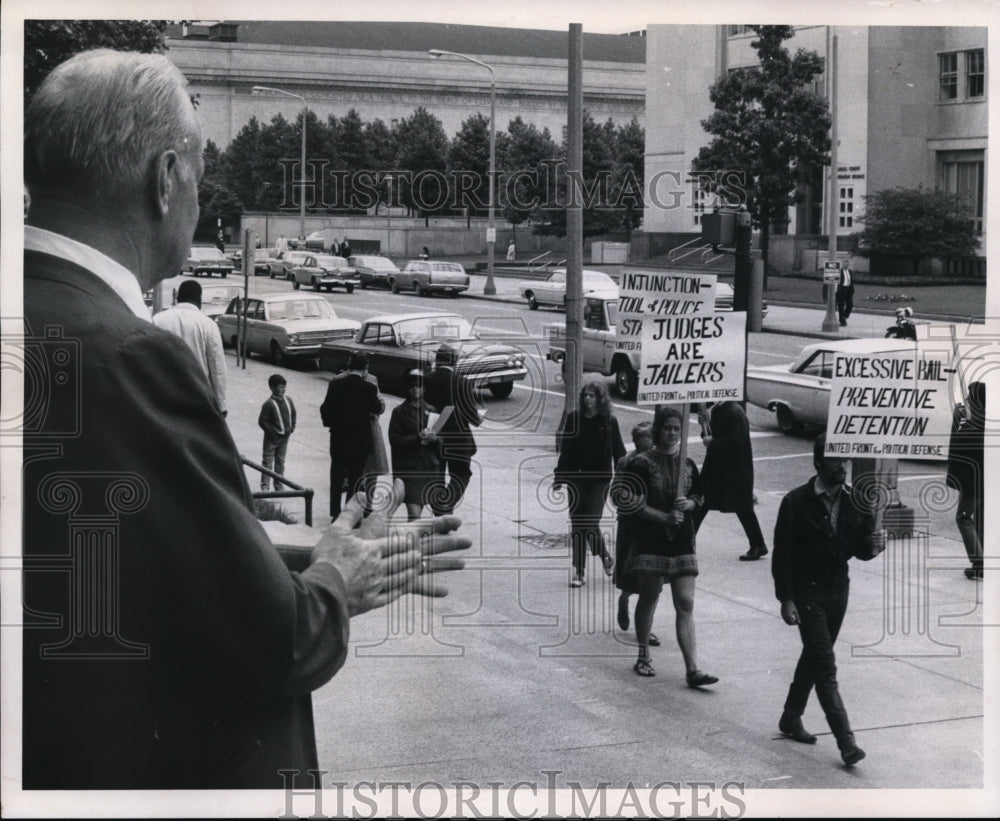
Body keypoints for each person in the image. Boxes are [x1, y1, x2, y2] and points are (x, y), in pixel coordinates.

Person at [21, 49, 469, 789]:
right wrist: (333, 580)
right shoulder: (134, 356)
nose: (201, 194)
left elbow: (105, 558)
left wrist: (290, 557)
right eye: (199, 169)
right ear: (164, 180)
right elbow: (279, 642)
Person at [772, 435, 886, 766]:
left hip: (838, 589)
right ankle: (846, 740)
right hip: (807, 589)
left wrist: (876, 544)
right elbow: (783, 554)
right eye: (836, 459)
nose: (843, 466)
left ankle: (791, 716)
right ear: (819, 462)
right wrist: (786, 598)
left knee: (815, 654)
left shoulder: (854, 501)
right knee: (825, 664)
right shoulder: (795, 502)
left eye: (847, 460)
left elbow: (861, 551)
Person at [617, 407, 715, 686]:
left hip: (682, 538)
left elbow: (700, 495)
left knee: (685, 602)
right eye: (668, 428)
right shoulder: (642, 463)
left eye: (677, 428)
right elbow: (631, 502)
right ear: (658, 430)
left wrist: (691, 504)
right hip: (651, 538)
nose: (672, 433)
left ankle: (692, 668)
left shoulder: (688, 464)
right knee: (649, 597)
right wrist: (664, 517)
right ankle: (643, 655)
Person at [554, 382, 626, 587]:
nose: (587, 399)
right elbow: (566, 450)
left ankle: (604, 557)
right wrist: (559, 477)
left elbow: (619, 451)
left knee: (590, 521)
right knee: (578, 526)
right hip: (576, 478)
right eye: (585, 395)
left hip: (599, 479)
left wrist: (624, 476)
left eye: (592, 396)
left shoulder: (609, 421)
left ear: (600, 399)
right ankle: (579, 571)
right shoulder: (573, 419)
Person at [693, 401, 768, 561]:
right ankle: (686, 542)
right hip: (719, 466)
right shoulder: (720, 409)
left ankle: (758, 544)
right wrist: (704, 425)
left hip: (734, 468)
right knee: (702, 501)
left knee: (742, 506)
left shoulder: (734, 411)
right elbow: (711, 435)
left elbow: (737, 441)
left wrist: (711, 442)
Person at [320, 352, 385, 519]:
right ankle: (350, 515)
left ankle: (335, 512)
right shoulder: (369, 388)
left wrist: (331, 424)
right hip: (360, 441)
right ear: (365, 369)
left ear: (349, 366)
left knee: (336, 475)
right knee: (356, 478)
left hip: (339, 438)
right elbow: (377, 408)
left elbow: (325, 409)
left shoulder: (335, 385)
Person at [151, 278, 228, 415]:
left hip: (163, 397)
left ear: (178, 297)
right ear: (199, 300)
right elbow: (217, 369)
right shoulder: (208, 325)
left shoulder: (158, 320)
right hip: (197, 399)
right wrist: (221, 405)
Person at [423, 344, 482, 515]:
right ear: (455, 362)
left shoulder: (429, 379)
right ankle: (446, 504)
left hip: (435, 434)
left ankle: (441, 507)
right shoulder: (463, 383)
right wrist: (479, 418)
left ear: (438, 360)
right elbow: (472, 415)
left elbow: (422, 406)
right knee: (462, 474)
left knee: (437, 476)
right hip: (459, 437)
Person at [610, 420, 655, 640]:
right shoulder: (626, 462)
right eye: (645, 437)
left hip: (655, 526)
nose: (650, 440)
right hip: (632, 525)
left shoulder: (660, 460)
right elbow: (616, 493)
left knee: (653, 583)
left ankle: (646, 628)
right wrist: (639, 504)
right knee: (632, 573)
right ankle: (625, 599)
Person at [389, 370, 440, 520]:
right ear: (407, 389)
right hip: (409, 469)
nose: (415, 389)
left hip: (427, 468)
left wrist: (435, 439)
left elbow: (442, 439)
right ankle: (412, 542)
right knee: (414, 515)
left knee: (417, 514)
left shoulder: (431, 410)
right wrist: (417, 438)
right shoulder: (399, 412)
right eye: (412, 386)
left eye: (419, 386)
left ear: (424, 389)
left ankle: (412, 542)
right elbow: (395, 441)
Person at [947, 381, 985, 580]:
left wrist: (958, 417)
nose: (967, 399)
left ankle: (979, 562)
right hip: (984, 480)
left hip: (974, 481)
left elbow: (958, 444)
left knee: (963, 518)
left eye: (970, 397)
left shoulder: (972, 421)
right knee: (980, 520)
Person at [258, 373, 297, 491]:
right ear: (272, 388)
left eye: (284, 387)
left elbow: (293, 413)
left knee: (280, 462)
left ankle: (278, 484)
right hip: (272, 439)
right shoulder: (268, 404)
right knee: (267, 462)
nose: (283, 389)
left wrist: (292, 427)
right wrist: (272, 433)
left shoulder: (288, 400)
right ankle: (265, 485)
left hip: (284, 438)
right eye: (280, 387)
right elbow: (262, 421)